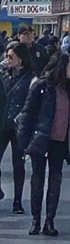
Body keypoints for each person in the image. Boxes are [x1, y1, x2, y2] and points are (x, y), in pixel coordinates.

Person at [18, 51, 70, 237]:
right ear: (62, 66)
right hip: (41, 139)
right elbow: (27, 112)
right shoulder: (41, 86)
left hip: (60, 141)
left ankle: (50, 220)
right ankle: (36, 220)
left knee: (55, 180)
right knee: (37, 180)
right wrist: (24, 141)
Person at [1, 41, 36, 213]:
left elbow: (30, 102)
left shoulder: (30, 78)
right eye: (6, 56)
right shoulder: (3, 74)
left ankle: (17, 200)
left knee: (18, 164)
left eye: (11, 57)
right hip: (2, 124)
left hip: (19, 126)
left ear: (20, 59)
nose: (7, 60)